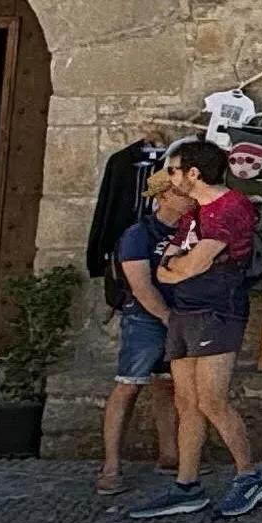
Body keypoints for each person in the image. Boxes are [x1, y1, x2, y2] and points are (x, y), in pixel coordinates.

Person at [129, 139, 262, 522]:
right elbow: (165, 267)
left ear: (193, 173)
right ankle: (186, 485)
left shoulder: (230, 207)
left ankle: (249, 476)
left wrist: (180, 265)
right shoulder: (194, 214)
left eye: (174, 170)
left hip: (218, 312)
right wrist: (179, 265)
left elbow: (191, 265)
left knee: (212, 400)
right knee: (187, 402)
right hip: (185, 312)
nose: (170, 177)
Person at [97, 171, 186, 498]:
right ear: (162, 197)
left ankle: (170, 455)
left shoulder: (191, 231)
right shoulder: (138, 234)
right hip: (145, 317)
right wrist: (166, 317)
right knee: (129, 385)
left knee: (167, 385)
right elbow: (141, 285)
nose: (189, 198)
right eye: (180, 193)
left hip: (178, 316)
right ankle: (110, 466)